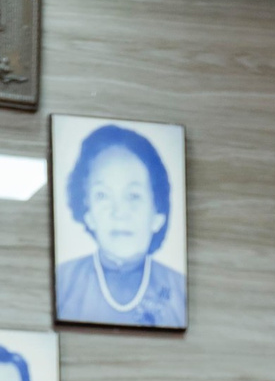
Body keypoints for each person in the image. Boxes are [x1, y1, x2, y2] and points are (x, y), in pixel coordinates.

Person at [55, 124, 185, 329]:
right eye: (103, 195)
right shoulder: (62, 283)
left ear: (157, 215)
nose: (119, 212)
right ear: (88, 214)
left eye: (133, 196)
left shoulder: (180, 291)